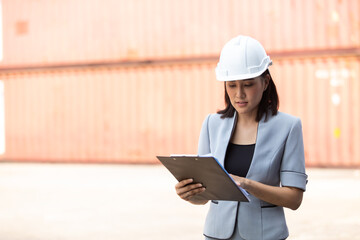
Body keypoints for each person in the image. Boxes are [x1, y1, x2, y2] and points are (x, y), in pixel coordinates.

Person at [175, 35, 308, 240]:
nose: (239, 94)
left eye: (247, 84)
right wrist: (190, 194)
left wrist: (246, 184)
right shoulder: (212, 124)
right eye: (231, 85)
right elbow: (204, 197)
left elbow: (294, 198)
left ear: (265, 82)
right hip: (216, 234)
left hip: (266, 235)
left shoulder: (288, 127)